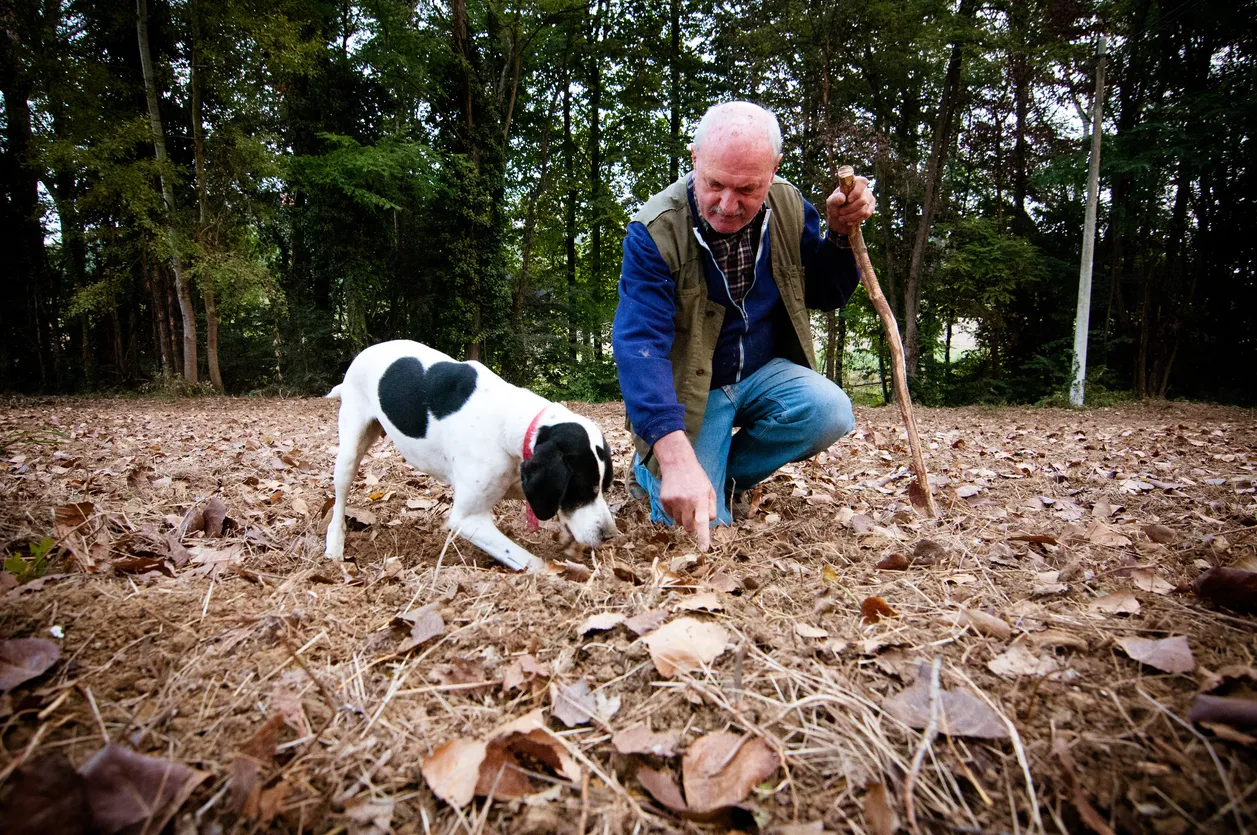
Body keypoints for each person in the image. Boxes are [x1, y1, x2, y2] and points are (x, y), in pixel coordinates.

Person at [612, 100, 875, 551]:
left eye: (748, 189)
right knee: (701, 531)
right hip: (695, 392)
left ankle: (720, 473)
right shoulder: (654, 232)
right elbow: (641, 346)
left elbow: (826, 293)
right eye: (714, 184)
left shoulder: (790, 207)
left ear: (773, 171)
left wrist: (836, 233)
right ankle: (654, 467)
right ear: (695, 159)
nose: (728, 205)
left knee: (831, 410)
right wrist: (674, 459)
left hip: (760, 371)